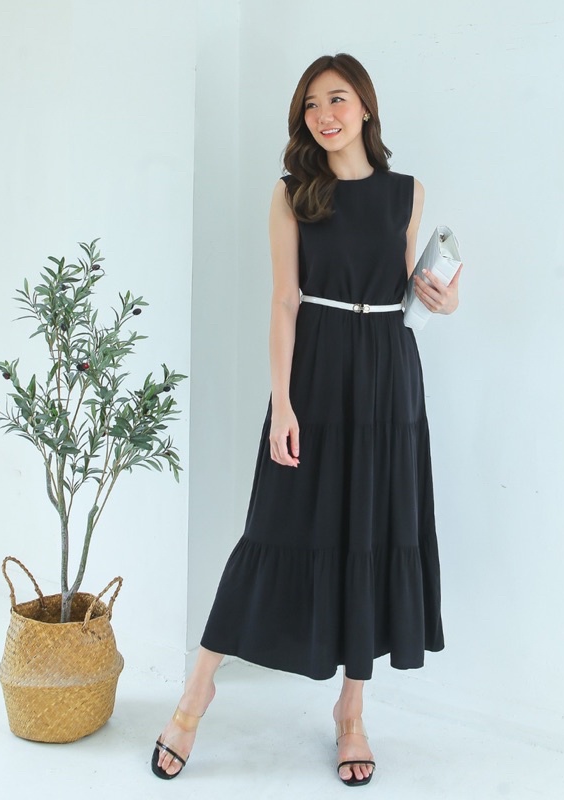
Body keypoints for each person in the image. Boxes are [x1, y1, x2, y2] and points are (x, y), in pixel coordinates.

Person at [151, 52, 461, 787]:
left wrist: (443, 298)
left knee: (371, 533)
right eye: (312, 105)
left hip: (388, 375)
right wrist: (282, 402)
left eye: (338, 99)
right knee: (272, 529)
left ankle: (352, 711)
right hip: (316, 373)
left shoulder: (407, 192)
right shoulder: (293, 193)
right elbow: (285, 300)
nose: (325, 115)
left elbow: (408, 292)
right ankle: (196, 694)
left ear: (365, 107)